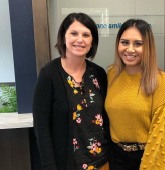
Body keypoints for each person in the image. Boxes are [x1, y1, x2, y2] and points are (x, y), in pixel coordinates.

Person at [33, 12, 110, 170]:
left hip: (102, 162)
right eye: (74, 33)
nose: (80, 40)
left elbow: (106, 119)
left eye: (86, 35)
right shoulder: (49, 74)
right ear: (63, 37)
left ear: (92, 41)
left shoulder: (99, 73)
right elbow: (41, 128)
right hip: (68, 164)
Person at [105, 19, 165, 170]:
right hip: (114, 156)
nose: (130, 49)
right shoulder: (111, 74)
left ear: (148, 47)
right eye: (124, 42)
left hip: (146, 157)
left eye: (138, 44)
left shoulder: (160, 81)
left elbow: (162, 137)